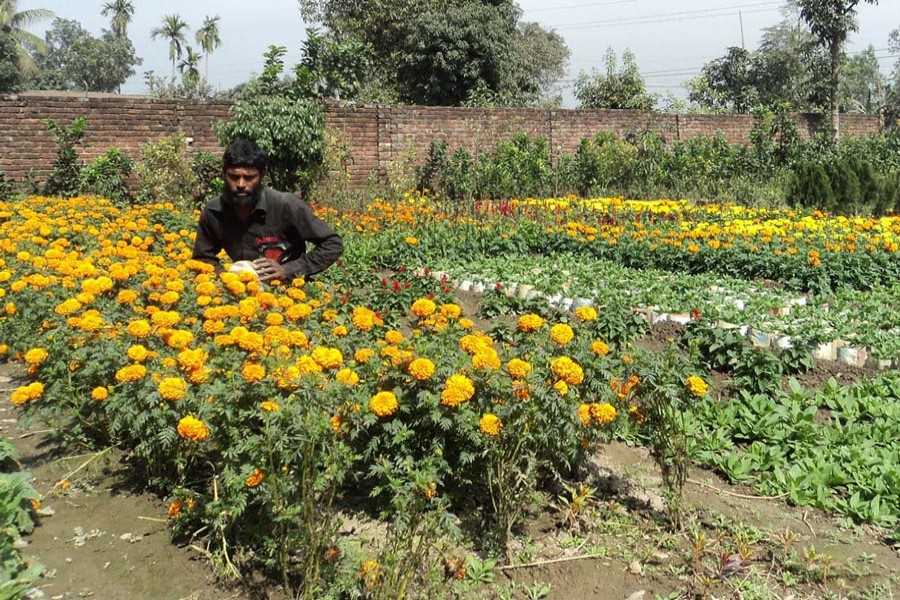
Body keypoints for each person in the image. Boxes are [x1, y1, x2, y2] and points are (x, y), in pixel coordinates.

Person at [191, 139, 343, 283]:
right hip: (239, 295)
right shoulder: (214, 212)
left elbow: (332, 244)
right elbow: (202, 258)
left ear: (262, 175)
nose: (241, 184)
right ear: (224, 174)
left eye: (249, 177)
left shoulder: (285, 205)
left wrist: (288, 270)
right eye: (234, 177)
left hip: (288, 293)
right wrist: (228, 279)